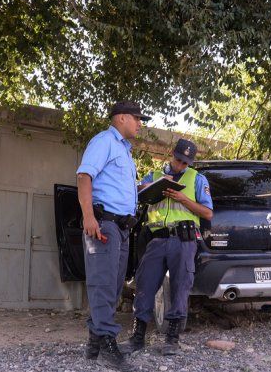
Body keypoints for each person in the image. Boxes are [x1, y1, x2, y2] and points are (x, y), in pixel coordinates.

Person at [120, 138, 213, 356]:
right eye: (179, 159)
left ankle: (172, 339)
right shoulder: (153, 176)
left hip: (183, 240)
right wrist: (146, 188)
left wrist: (182, 199)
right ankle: (137, 337)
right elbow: (136, 195)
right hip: (156, 239)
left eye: (186, 162)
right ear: (172, 154)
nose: (181, 164)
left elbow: (208, 213)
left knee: (181, 288)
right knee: (145, 284)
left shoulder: (197, 179)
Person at [76, 101, 150, 371]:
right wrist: (88, 217)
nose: (140, 123)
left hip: (122, 227)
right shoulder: (104, 141)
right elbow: (84, 176)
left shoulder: (125, 151)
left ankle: (94, 345)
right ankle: (107, 343)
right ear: (121, 118)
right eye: (137, 118)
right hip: (104, 223)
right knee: (103, 284)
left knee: (114, 285)